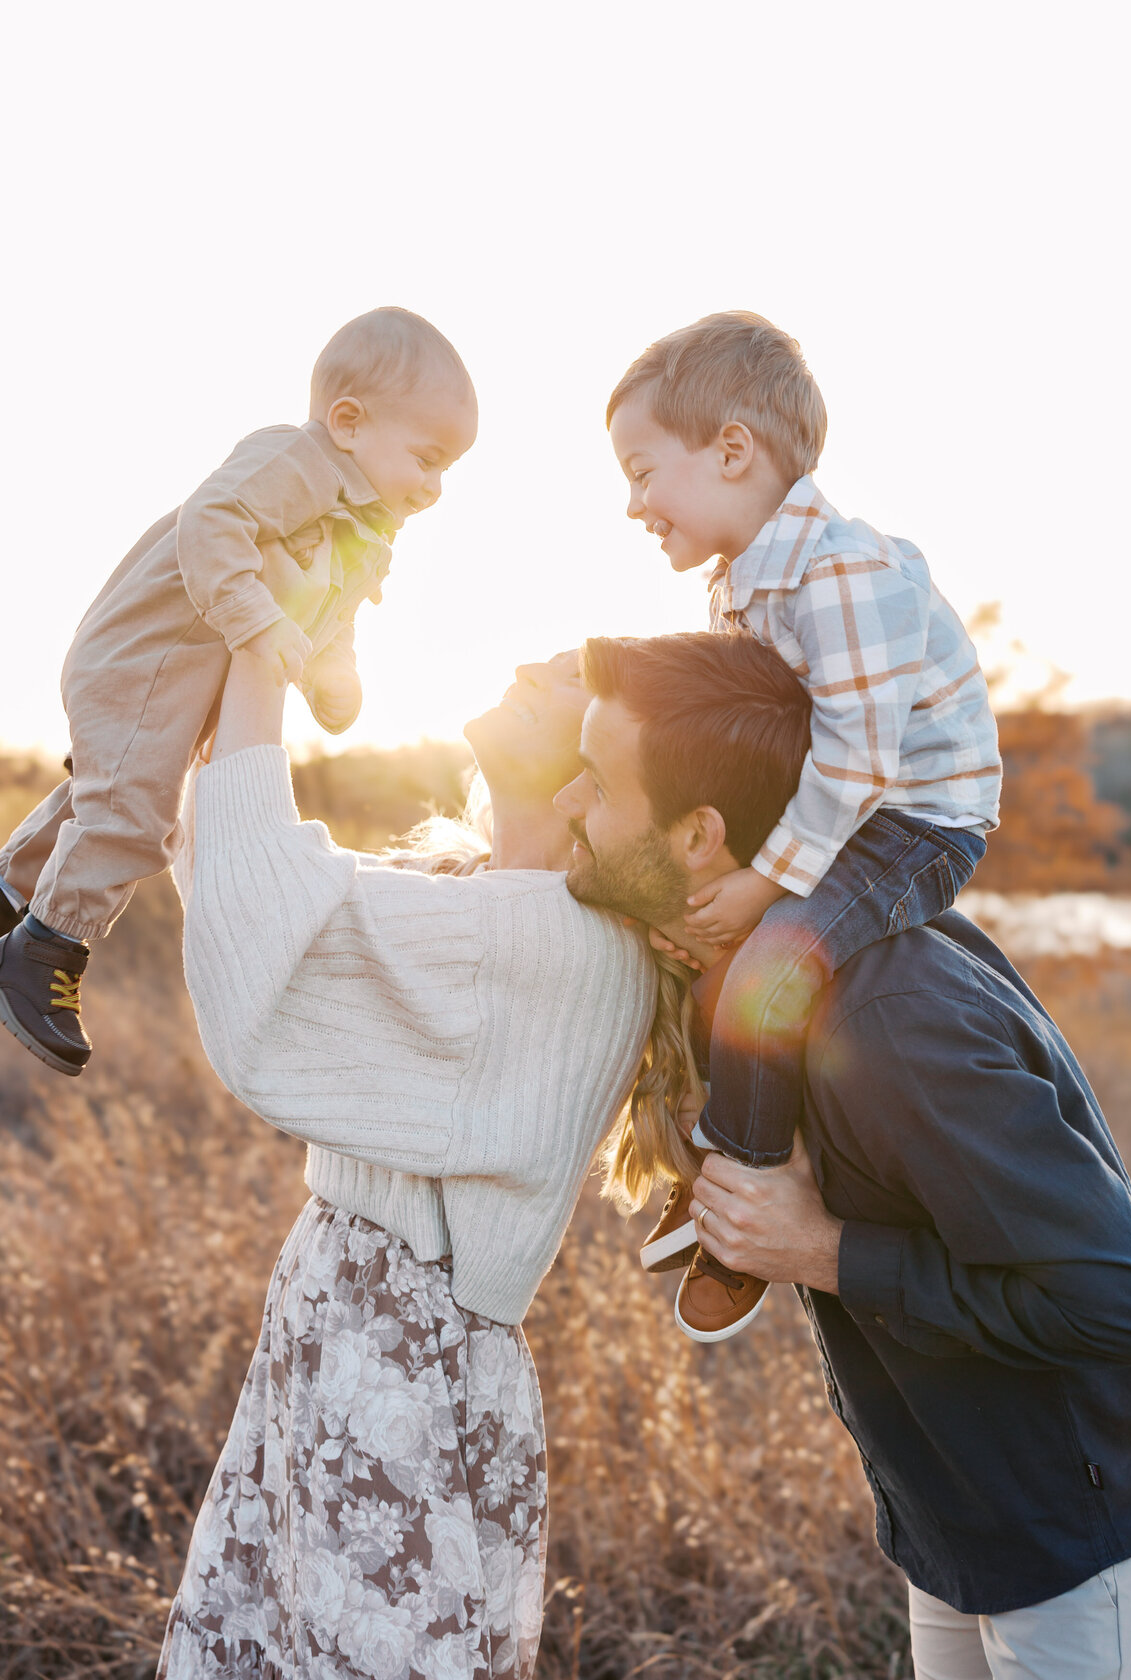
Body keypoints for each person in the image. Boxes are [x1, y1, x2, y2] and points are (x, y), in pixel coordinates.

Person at [557, 629, 1131, 1678]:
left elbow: (1122, 1306)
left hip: (1100, 1550)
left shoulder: (894, 1015)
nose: (573, 802)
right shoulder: (766, 990)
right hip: (962, 1540)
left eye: (594, 780)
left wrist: (823, 1251)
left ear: (699, 836)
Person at [154, 644, 669, 1680]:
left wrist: (263, 647)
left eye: (574, 676)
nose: (534, 664)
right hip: (341, 1323)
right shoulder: (473, 891)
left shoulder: (565, 942)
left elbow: (264, 927)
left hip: (406, 1354)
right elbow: (247, 892)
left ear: (600, 766)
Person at [606, 312, 1001, 1339]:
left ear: (731, 449)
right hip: (841, 812)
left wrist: (765, 882)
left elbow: (858, 761)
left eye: (644, 471)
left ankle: (741, 1186)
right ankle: (725, 1134)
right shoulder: (738, 588)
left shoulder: (844, 572)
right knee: (703, 943)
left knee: (776, 960)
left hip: (916, 817)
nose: (633, 503)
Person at [0, 307, 478, 1077]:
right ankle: (46, 948)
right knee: (134, 815)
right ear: (348, 422)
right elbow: (211, 522)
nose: (435, 486)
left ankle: (11, 892)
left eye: (447, 470)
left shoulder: (365, 527)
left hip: (184, 680)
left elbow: (332, 613)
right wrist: (256, 618)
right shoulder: (296, 461)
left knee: (114, 793)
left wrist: (333, 674)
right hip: (147, 654)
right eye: (427, 459)